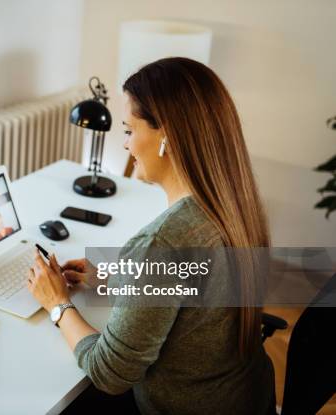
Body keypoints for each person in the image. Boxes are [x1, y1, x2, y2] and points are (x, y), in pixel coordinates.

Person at [26, 58, 275, 414]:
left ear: (166, 137)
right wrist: (121, 281)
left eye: (128, 130)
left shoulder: (164, 242)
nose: (125, 144)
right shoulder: (237, 204)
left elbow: (109, 373)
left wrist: (57, 304)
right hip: (245, 397)